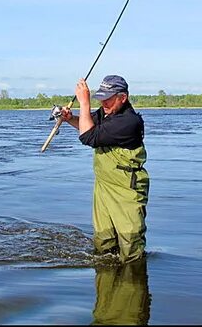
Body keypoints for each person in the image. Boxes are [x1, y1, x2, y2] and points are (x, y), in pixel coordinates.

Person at [61, 75, 149, 263]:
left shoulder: (128, 122)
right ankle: (106, 288)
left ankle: (133, 284)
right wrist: (69, 118)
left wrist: (84, 103)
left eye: (107, 98)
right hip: (103, 186)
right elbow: (87, 125)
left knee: (131, 246)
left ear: (122, 98)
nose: (103, 103)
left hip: (127, 188)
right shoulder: (106, 112)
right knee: (104, 244)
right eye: (100, 98)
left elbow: (88, 137)